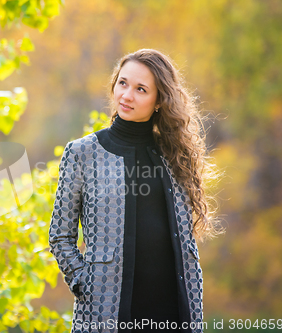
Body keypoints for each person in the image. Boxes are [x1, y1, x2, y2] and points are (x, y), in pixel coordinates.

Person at [48, 49, 223, 333]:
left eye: (141, 89)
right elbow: (60, 236)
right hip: (106, 311)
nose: (127, 95)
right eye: (123, 83)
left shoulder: (175, 154)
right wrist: (83, 282)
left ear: (158, 101)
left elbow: (184, 238)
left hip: (175, 312)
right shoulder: (82, 153)